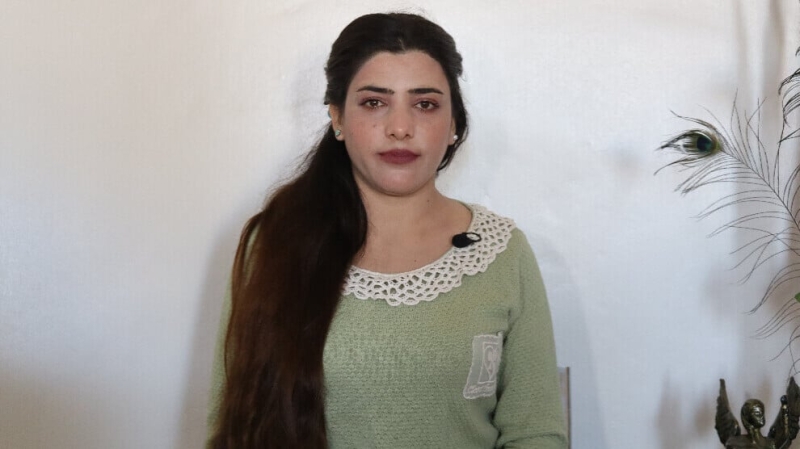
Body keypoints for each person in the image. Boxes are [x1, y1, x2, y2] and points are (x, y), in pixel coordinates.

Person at [206, 12, 568, 449]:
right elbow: (233, 426)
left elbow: (535, 433)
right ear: (337, 118)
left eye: (425, 104)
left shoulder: (504, 254)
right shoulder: (274, 243)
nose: (400, 128)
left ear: (454, 124)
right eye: (374, 102)